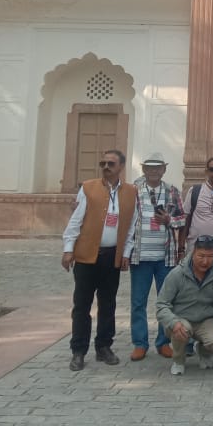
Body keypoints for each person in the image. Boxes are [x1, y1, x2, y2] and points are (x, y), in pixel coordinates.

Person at [62, 149, 138, 372]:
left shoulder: (131, 191)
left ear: (121, 167)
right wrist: (68, 249)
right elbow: (76, 220)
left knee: (108, 304)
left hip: (111, 257)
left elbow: (132, 225)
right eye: (103, 163)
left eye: (111, 163)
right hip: (86, 255)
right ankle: (78, 350)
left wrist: (126, 253)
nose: (106, 167)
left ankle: (104, 346)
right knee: (82, 305)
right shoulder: (88, 187)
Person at [126, 152, 185, 362]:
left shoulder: (171, 191)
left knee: (166, 302)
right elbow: (125, 219)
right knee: (138, 302)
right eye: (149, 168)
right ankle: (140, 344)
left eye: (157, 167)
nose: (153, 171)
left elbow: (182, 218)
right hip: (140, 256)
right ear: (143, 170)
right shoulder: (133, 190)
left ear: (164, 170)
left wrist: (169, 220)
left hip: (164, 257)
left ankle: (163, 342)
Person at [155, 235, 213, 375]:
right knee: (182, 330)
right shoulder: (177, 274)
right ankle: (178, 360)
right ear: (193, 252)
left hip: (205, 319)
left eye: (210, 256)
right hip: (181, 319)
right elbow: (161, 304)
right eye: (201, 256)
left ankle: (204, 352)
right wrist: (173, 322)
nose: (205, 261)